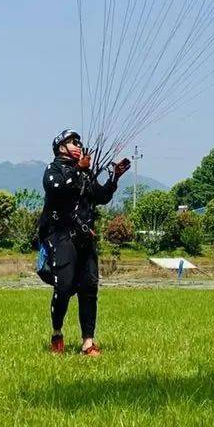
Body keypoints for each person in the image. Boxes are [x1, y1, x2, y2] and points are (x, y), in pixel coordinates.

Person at [37, 129, 130, 356]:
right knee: (65, 287)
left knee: (89, 288)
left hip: (84, 237)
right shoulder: (54, 170)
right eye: (73, 142)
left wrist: (114, 177)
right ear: (61, 147)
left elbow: (101, 197)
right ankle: (57, 333)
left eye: (79, 142)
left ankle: (88, 342)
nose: (78, 145)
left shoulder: (84, 173)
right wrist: (79, 169)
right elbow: (58, 189)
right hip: (60, 234)